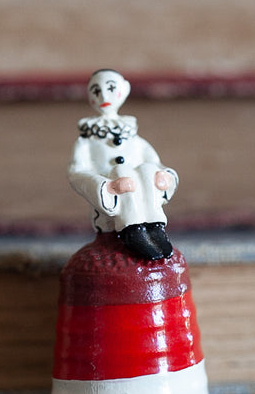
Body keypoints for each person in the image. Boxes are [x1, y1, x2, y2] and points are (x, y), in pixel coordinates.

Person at [67, 68, 178, 260]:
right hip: (108, 217)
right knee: (121, 171)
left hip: (145, 196)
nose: (104, 96)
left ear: (125, 90)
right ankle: (133, 229)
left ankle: (154, 226)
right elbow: (76, 172)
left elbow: (153, 161)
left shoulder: (133, 138)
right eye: (96, 91)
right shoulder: (86, 141)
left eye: (111, 88)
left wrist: (162, 176)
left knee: (148, 169)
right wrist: (106, 187)